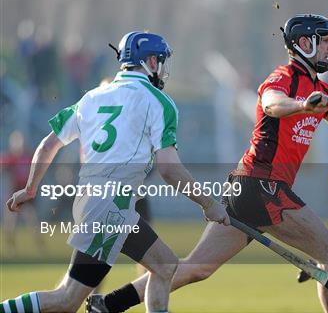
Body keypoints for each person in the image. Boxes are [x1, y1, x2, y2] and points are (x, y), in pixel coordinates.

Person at [86, 14, 328, 313]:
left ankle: (110, 304)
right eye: (323, 41)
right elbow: (271, 103)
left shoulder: (322, 91)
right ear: (304, 43)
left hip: (248, 188)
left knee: (196, 268)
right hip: (264, 186)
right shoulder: (284, 77)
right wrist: (301, 104)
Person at [1, 31, 229, 313]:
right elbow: (169, 168)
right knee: (66, 299)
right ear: (150, 61)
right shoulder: (159, 102)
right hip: (110, 208)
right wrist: (209, 204)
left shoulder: (92, 97)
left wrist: (31, 187)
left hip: (100, 204)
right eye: (160, 60)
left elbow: (49, 144)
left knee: (165, 265)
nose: (162, 67)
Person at [1, 130, 46, 256]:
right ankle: (11, 248)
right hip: (14, 193)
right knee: (10, 223)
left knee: (33, 221)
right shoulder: (10, 158)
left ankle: (40, 246)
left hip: (27, 195)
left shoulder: (29, 157)